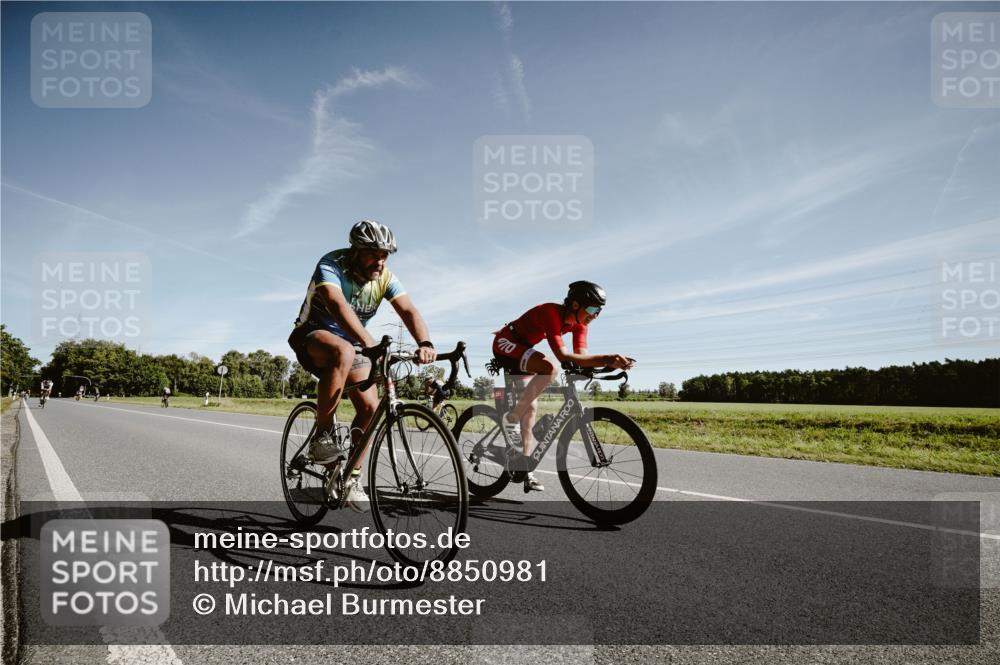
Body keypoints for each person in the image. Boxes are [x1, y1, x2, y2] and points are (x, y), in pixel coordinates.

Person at [288, 220, 437, 510]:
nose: (379, 261)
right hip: (313, 335)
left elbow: (408, 310)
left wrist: (425, 343)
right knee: (342, 351)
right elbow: (337, 305)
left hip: (354, 343)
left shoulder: (385, 277)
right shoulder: (331, 264)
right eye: (373, 254)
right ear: (355, 250)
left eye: (385, 255)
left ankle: (351, 478)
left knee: (370, 407)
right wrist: (370, 343)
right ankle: (321, 437)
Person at [491, 281, 634, 492]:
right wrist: (606, 358)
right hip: (506, 342)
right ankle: (511, 418)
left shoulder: (581, 324)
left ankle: (524, 468)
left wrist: (607, 364)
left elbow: (581, 357)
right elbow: (563, 356)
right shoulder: (551, 313)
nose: (595, 315)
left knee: (531, 408)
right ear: (575, 305)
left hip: (524, 347)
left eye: (599, 311)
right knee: (550, 368)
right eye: (592, 309)